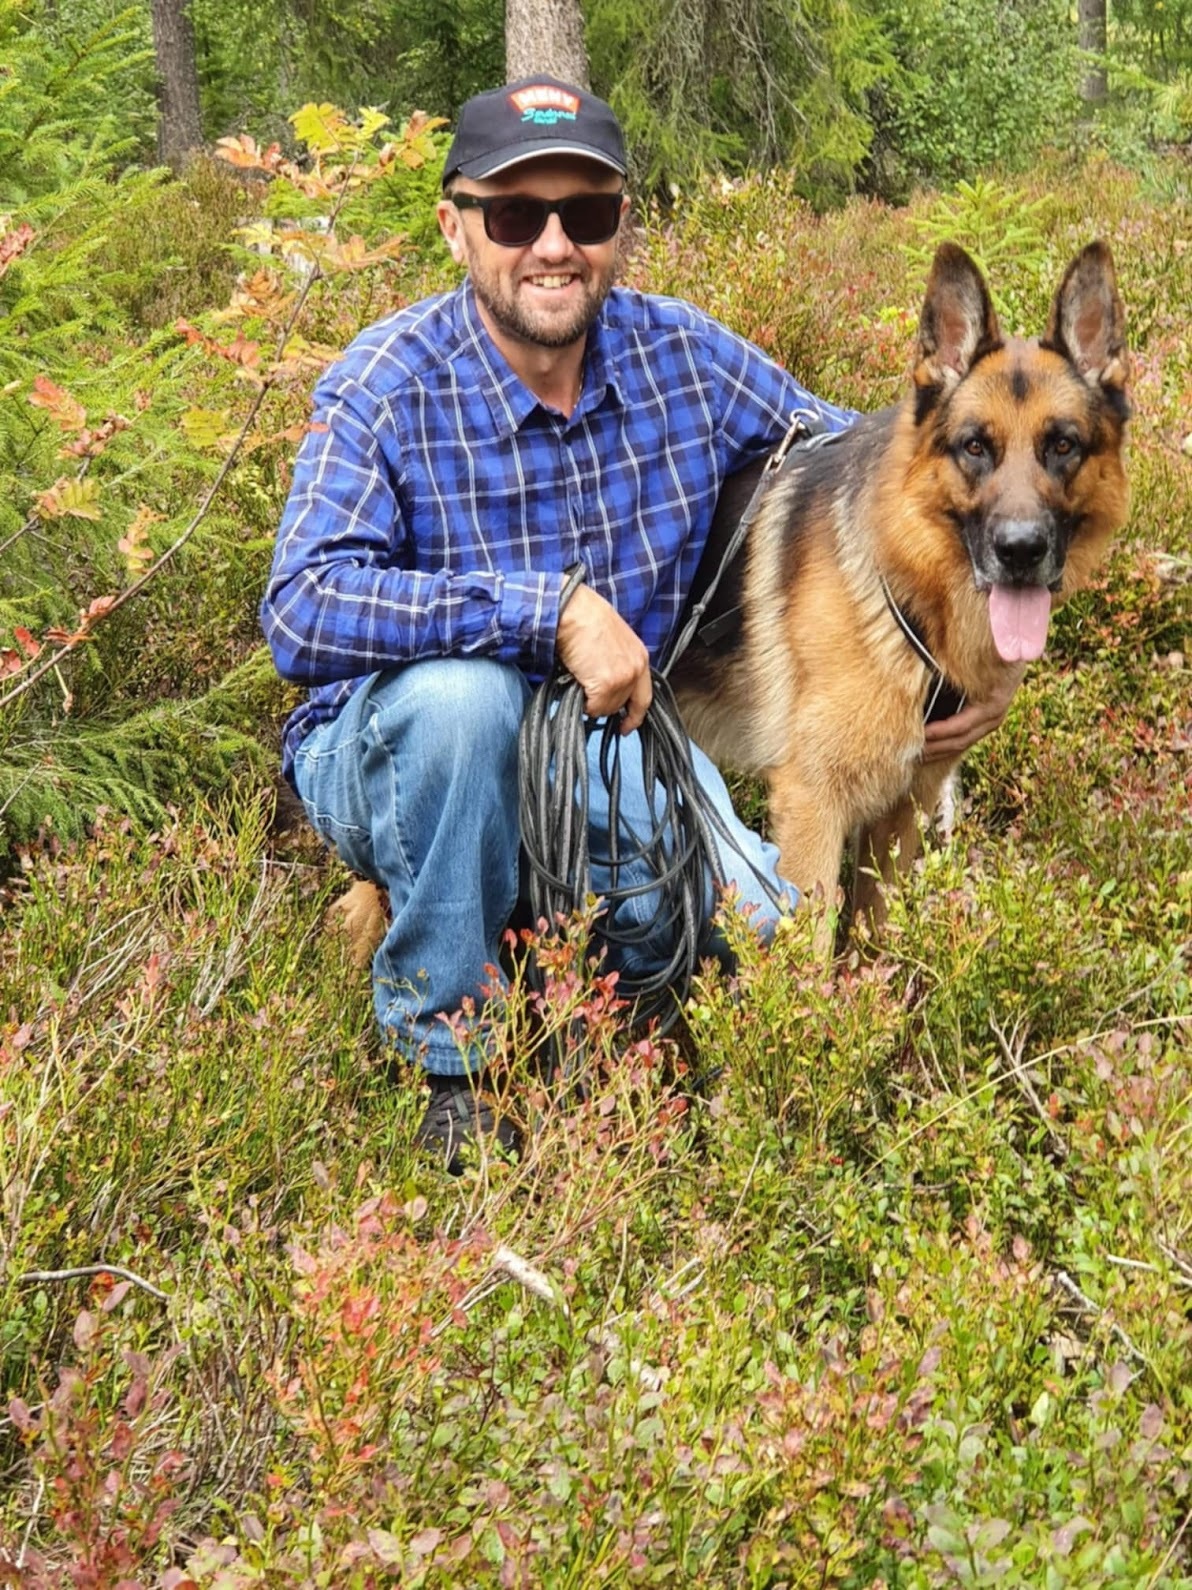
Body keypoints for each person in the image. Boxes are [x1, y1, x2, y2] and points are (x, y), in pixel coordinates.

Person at [261, 75, 1012, 1171]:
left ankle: (526, 935)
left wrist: (961, 631)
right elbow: (301, 605)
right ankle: (453, 1065)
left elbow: (869, 459)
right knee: (465, 707)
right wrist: (546, 612)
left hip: (606, 746)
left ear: (622, 226)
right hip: (393, 748)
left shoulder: (682, 359)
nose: (553, 245)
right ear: (454, 225)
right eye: (515, 215)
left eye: (588, 212)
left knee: (756, 934)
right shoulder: (385, 385)